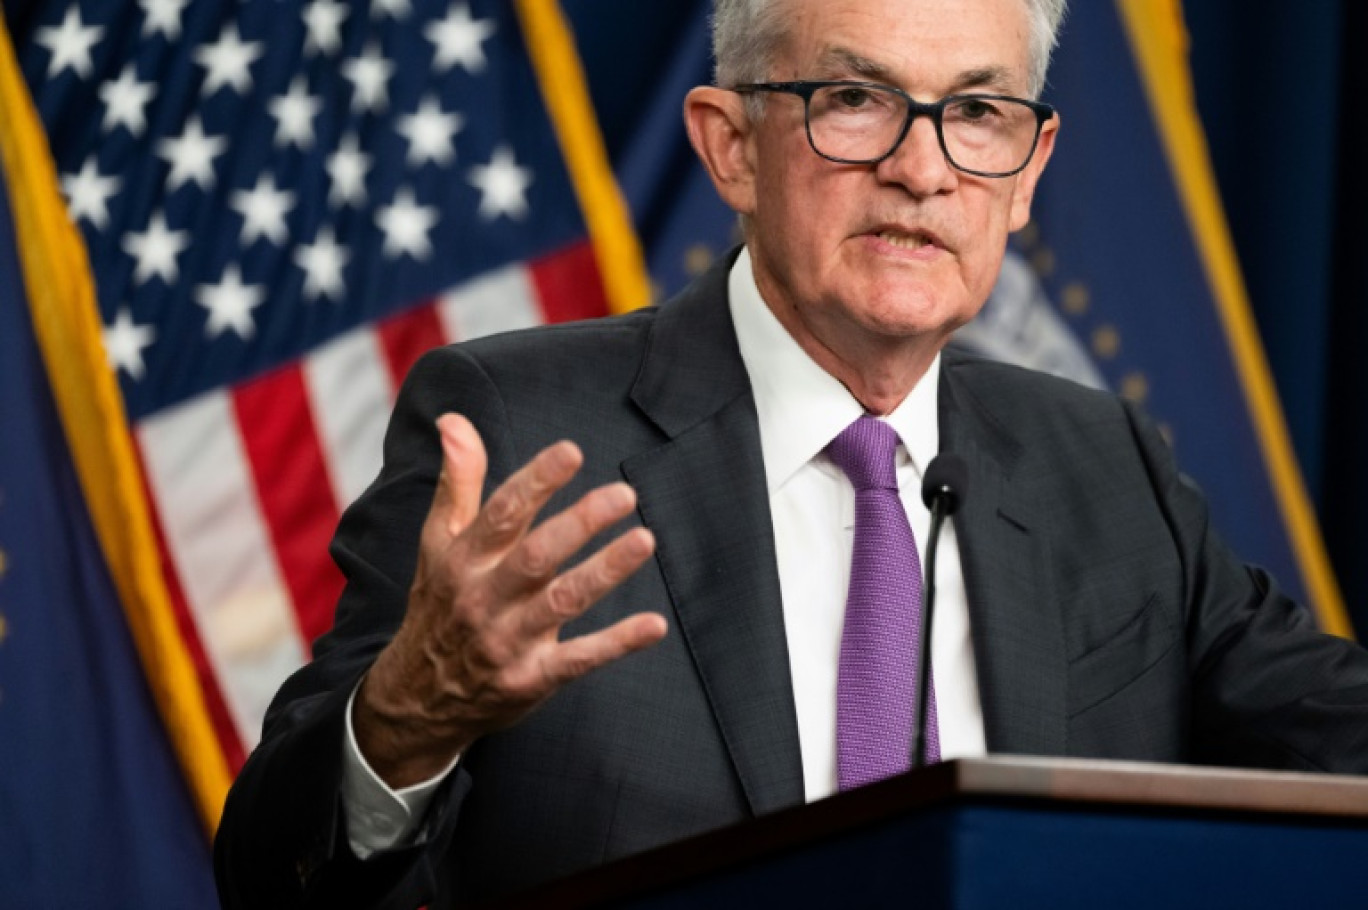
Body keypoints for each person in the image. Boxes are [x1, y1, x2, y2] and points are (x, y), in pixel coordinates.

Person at [214, 0, 1368, 906]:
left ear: (1028, 172)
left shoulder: (1102, 463)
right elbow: (274, 880)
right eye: (856, 98)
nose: (924, 169)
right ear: (730, 147)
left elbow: (1331, 735)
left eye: (977, 114)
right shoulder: (522, 433)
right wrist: (413, 714)